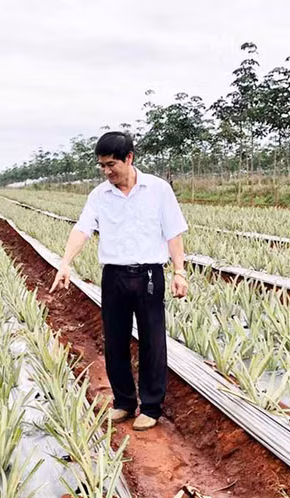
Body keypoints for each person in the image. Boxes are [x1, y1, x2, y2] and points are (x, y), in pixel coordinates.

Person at [50, 132, 188, 431]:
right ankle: (124, 402)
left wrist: (179, 271)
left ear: (129, 158)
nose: (106, 171)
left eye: (111, 164)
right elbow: (82, 228)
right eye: (101, 166)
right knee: (115, 342)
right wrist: (65, 263)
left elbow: (173, 233)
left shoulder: (158, 190)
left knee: (153, 342)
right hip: (114, 276)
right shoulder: (100, 195)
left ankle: (150, 407)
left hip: (150, 274)